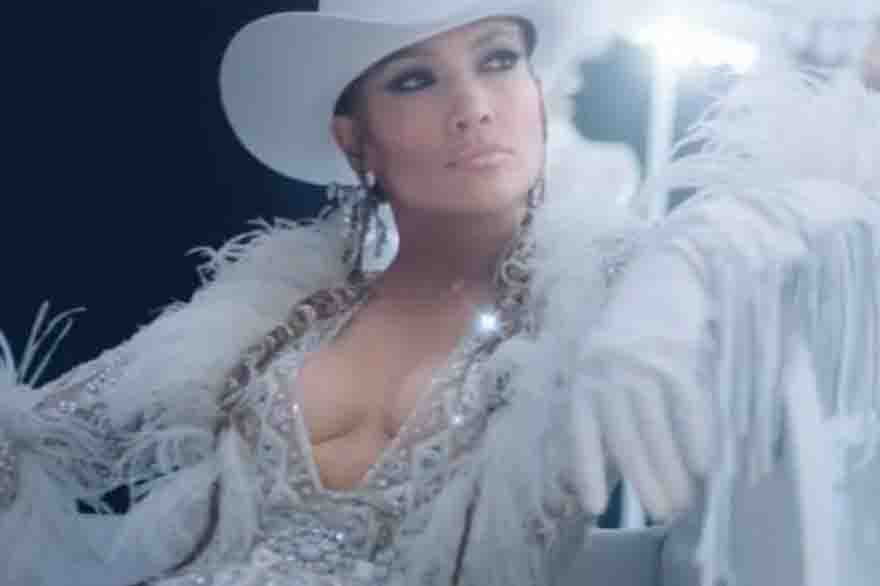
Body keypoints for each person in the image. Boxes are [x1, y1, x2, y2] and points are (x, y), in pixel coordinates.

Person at [1, 2, 879, 586]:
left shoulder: (606, 290)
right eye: (415, 79)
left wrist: (672, 286)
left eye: (498, 61)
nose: (474, 107)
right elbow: (33, 438)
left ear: (536, 92)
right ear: (355, 140)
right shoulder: (264, 317)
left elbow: (818, 197)